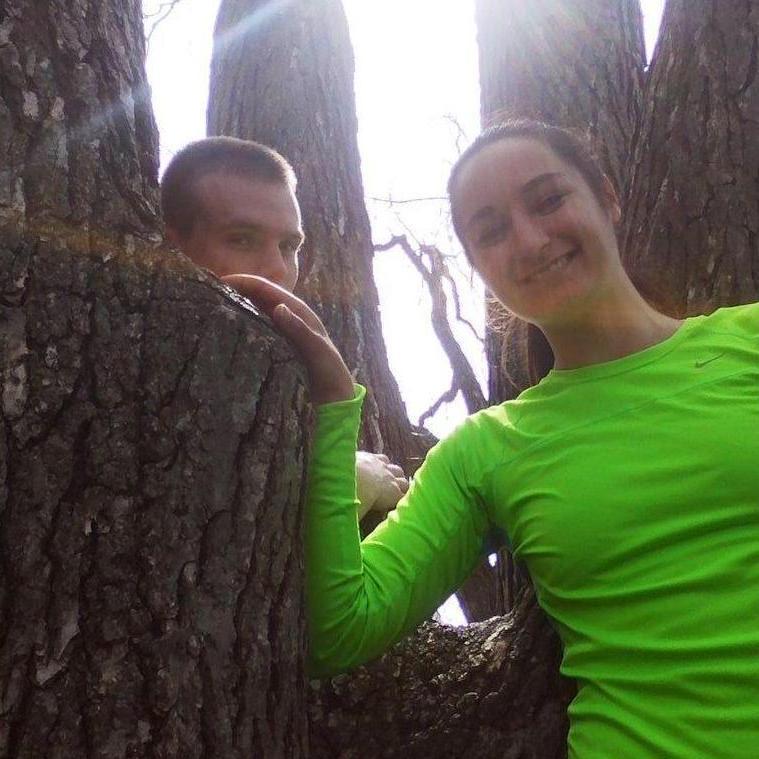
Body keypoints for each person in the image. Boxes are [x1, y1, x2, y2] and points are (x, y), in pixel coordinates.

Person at [227, 119, 759, 758]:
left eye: (549, 200)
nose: (530, 241)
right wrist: (334, 416)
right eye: (490, 231)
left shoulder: (747, 341)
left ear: (608, 199)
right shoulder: (486, 449)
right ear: (477, 265)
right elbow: (339, 630)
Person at [160, 136, 408, 520]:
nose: (278, 269)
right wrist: (351, 480)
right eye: (242, 239)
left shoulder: (284, 377)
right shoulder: (136, 367)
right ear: (170, 246)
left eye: (289, 246)